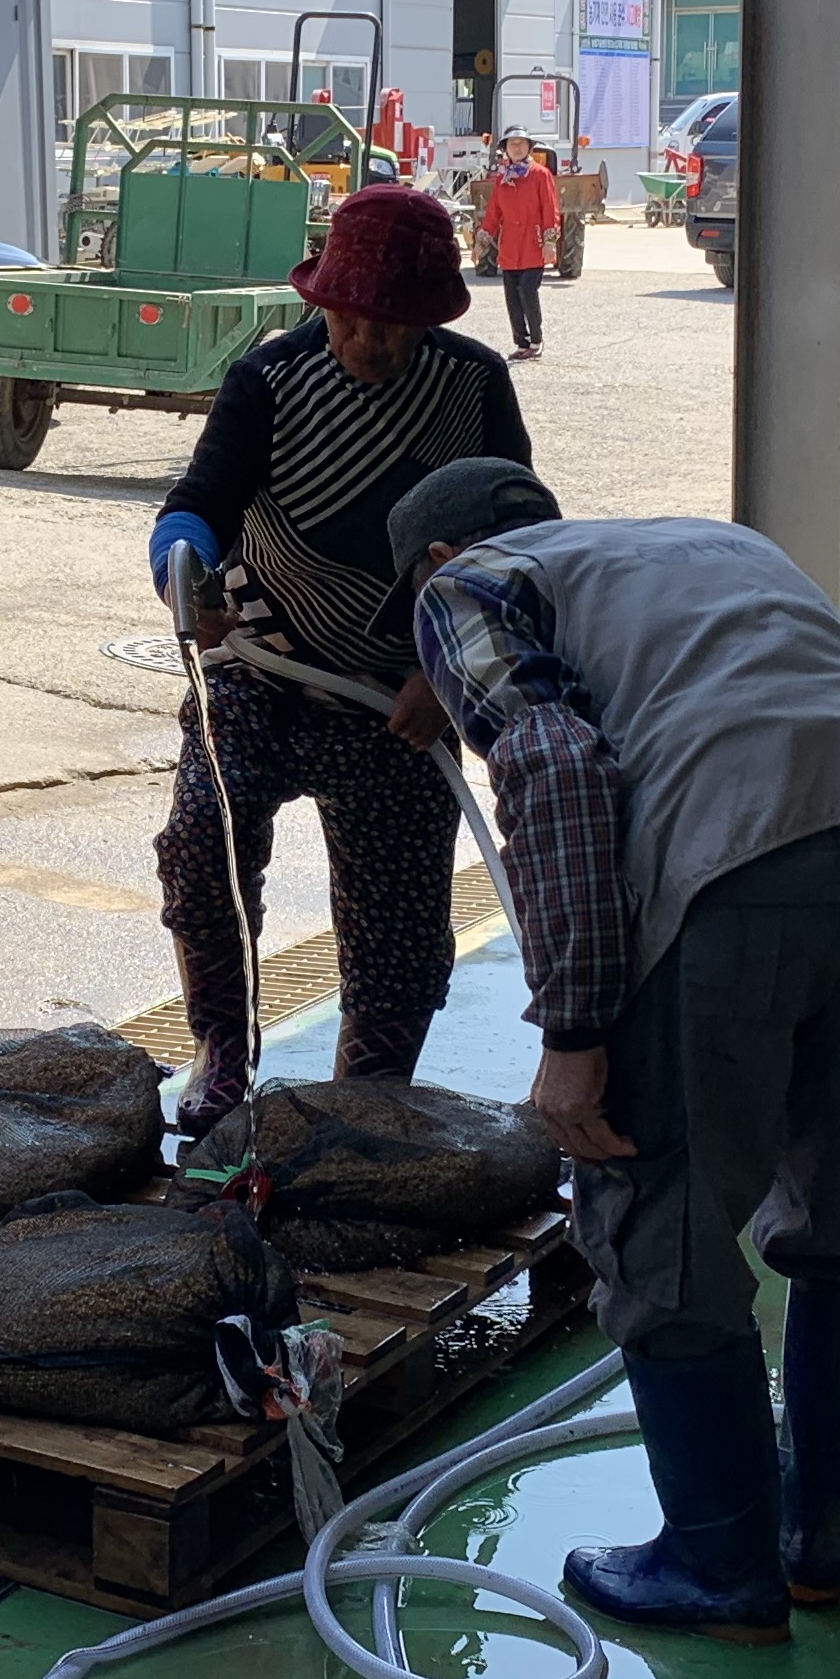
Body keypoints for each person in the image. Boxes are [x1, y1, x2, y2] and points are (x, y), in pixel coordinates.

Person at [391, 458, 840, 1644]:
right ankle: (813, 1545)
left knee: (655, 1218)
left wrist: (575, 1029)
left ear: (434, 558)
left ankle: (719, 1565)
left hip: (734, 870)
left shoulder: (465, 587)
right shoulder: (716, 549)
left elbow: (554, 767)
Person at [145, 183, 535, 1115]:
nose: (368, 342)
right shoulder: (269, 381)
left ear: (432, 319)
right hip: (262, 664)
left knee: (400, 916)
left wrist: (443, 676)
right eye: (349, 319)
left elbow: (515, 539)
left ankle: (367, 1098)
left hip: (403, 693)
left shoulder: (474, 385)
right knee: (202, 841)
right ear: (319, 302)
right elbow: (196, 506)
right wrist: (183, 577)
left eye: (393, 326)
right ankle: (222, 1049)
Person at [478, 131, 561, 361]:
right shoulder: (502, 178)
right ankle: (522, 343)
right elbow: (493, 213)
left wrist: (550, 242)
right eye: (512, 144)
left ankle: (536, 340)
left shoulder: (540, 175)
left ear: (529, 147)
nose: (517, 147)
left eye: (521, 143)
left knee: (527, 291)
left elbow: (550, 209)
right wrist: (481, 242)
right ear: (505, 149)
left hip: (533, 245)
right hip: (510, 249)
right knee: (512, 298)